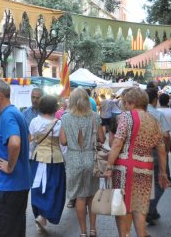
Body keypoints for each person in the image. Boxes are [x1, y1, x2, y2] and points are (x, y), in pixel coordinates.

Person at [104, 87, 169, 237]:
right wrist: (163, 172)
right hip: (145, 168)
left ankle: (125, 234)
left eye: (126, 103)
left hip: (125, 168)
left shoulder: (126, 117)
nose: (125, 106)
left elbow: (117, 144)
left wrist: (109, 166)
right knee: (140, 206)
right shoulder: (153, 120)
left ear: (132, 103)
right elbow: (161, 149)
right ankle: (141, 234)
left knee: (123, 207)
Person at [0, 79, 31, 237]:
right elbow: (27, 138)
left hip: (9, 186)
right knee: (14, 230)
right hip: (16, 185)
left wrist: (10, 166)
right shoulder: (15, 113)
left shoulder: (8, 115)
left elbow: (15, 143)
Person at [60, 88, 105, 237]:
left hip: (73, 159)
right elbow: (102, 139)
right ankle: (93, 229)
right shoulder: (94, 116)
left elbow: (63, 141)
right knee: (92, 196)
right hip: (91, 158)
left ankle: (83, 232)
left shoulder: (65, 118)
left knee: (80, 197)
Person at [29, 95, 65, 232]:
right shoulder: (59, 123)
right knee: (54, 188)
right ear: (54, 107)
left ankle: (40, 214)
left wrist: (31, 156)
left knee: (37, 187)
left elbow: (31, 142)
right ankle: (44, 215)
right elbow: (63, 145)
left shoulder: (34, 122)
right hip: (55, 160)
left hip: (38, 158)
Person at [146, 88, 171, 225]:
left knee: (146, 183)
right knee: (162, 181)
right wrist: (166, 152)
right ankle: (150, 208)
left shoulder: (131, 114)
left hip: (138, 154)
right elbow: (166, 136)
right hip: (156, 153)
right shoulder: (157, 114)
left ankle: (153, 210)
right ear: (155, 100)